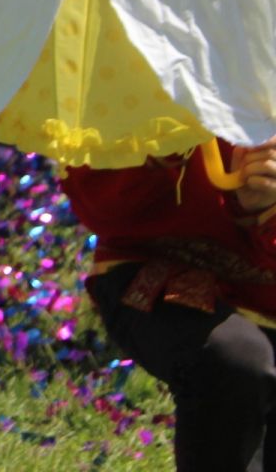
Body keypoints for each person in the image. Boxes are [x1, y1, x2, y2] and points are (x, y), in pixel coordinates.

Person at [64, 140, 276, 471]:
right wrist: (158, 146)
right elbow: (104, 212)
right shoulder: (145, 94)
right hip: (156, 267)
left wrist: (267, 211)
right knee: (236, 358)